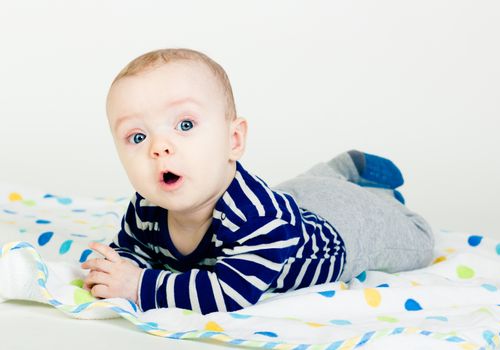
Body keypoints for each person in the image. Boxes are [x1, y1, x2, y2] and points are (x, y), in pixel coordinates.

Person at [81, 48, 434, 314]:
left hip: (338, 235)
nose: (159, 148)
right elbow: (133, 252)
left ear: (233, 141)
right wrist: (112, 268)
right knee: (299, 191)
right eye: (137, 137)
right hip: (292, 202)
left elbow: (229, 293)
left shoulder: (257, 216)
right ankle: (341, 168)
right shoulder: (147, 205)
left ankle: (373, 193)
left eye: (185, 125)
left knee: (416, 242)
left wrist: (138, 286)